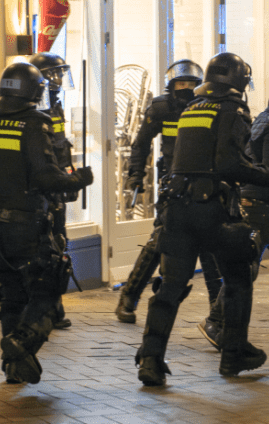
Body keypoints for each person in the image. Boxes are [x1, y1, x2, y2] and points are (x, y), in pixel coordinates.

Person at [135, 52, 269, 386]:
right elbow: (230, 166)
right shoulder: (232, 109)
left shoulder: (193, 108)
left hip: (177, 207)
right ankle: (233, 355)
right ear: (237, 81)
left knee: (170, 286)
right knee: (238, 279)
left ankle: (150, 361)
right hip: (211, 210)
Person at [0, 62, 93, 384]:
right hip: (24, 228)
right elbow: (45, 177)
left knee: (12, 292)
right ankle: (18, 344)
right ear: (35, 93)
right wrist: (79, 179)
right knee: (49, 292)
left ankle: (15, 368)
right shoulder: (35, 123)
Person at [198, 83, 269, 350]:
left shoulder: (262, 119)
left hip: (256, 200)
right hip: (260, 202)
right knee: (248, 265)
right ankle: (214, 320)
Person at [115, 59, 225, 324]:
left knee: (210, 249)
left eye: (191, 84)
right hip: (172, 185)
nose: (186, 88)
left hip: (203, 184)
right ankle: (129, 297)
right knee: (158, 243)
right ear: (171, 85)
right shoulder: (161, 108)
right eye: (181, 83)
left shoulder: (210, 108)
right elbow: (141, 143)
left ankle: (217, 313)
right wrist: (135, 176)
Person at [29, 51, 77, 330]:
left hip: (57, 190)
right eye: (55, 73)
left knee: (60, 244)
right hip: (40, 193)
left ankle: (56, 306)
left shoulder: (55, 106)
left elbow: (61, 149)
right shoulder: (34, 110)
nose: (59, 79)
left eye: (61, 73)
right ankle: (41, 308)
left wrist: (69, 178)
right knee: (43, 249)